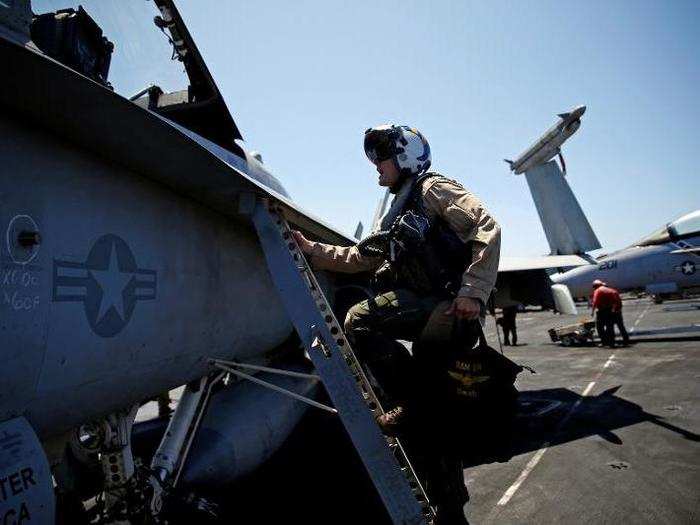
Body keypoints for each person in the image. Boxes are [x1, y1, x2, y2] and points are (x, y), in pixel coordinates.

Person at [293, 124, 500, 524]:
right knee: (433, 416)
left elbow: (486, 226)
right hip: (425, 308)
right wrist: (311, 249)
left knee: (360, 319)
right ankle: (449, 504)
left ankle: (414, 403)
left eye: (380, 160)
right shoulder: (399, 211)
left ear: (404, 155)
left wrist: (473, 292)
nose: (376, 171)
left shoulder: (435, 190)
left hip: (448, 308)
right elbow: (361, 257)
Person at [591, 279, 622, 347]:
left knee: (599, 327)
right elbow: (616, 300)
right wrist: (614, 309)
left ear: (595, 286)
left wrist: (592, 311)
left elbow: (595, 302)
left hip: (602, 311)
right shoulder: (610, 290)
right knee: (610, 327)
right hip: (610, 311)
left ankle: (604, 342)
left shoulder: (598, 290)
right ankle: (612, 342)